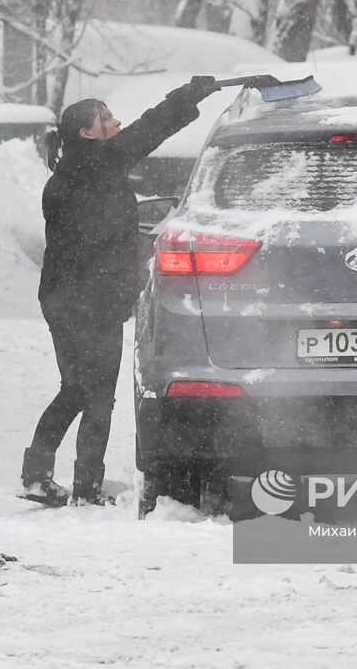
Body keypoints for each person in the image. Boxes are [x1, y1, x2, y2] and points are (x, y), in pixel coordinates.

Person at [22, 76, 220, 507]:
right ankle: (88, 488)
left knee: (75, 387)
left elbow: (86, 238)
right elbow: (153, 127)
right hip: (92, 304)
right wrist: (189, 95)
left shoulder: (64, 176)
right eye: (106, 118)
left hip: (61, 300)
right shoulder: (100, 164)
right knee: (99, 397)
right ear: (86, 133)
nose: (116, 122)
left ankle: (37, 473)